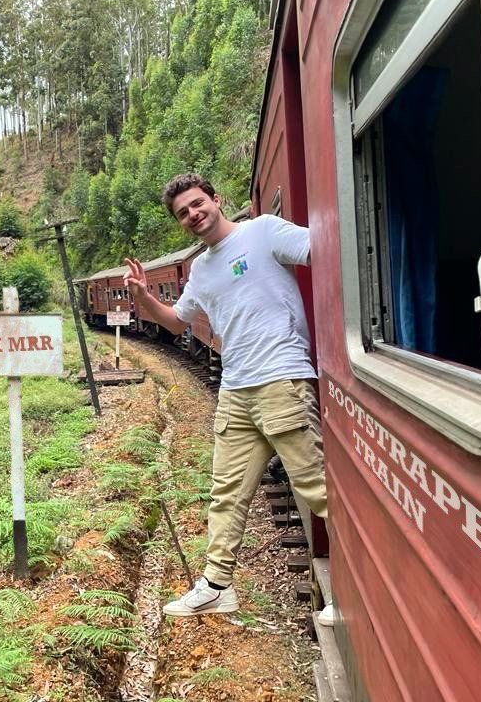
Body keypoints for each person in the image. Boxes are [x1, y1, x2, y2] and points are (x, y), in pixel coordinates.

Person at [123, 172, 333, 624]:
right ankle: (217, 586)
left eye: (198, 204)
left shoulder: (263, 231)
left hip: (281, 379)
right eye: (183, 213)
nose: (193, 214)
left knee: (317, 489)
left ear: (217, 200)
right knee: (225, 493)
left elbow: (326, 248)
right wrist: (141, 297)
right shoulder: (200, 268)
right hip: (236, 390)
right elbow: (178, 322)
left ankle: (358, 589)